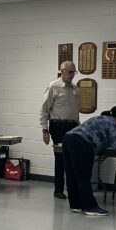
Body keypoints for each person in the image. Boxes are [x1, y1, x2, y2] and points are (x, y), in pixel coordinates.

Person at [61, 105, 116, 216]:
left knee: (72, 175)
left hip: (68, 138)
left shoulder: (99, 118)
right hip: (82, 143)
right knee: (84, 177)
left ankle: (76, 205)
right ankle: (90, 207)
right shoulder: (113, 123)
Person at [39, 62, 79, 199]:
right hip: (58, 126)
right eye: (71, 72)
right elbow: (44, 110)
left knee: (73, 159)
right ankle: (58, 190)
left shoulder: (74, 88)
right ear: (62, 72)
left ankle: (73, 189)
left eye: (74, 72)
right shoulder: (53, 87)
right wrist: (45, 130)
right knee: (61, 159)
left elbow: (75, 111)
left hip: (73, 126)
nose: (73, 75)